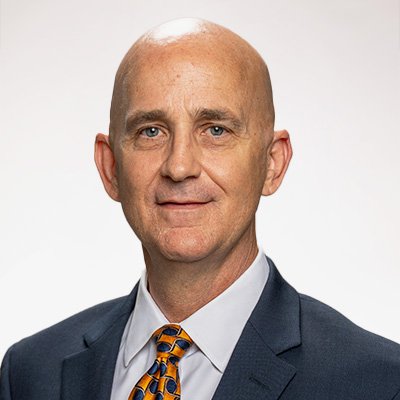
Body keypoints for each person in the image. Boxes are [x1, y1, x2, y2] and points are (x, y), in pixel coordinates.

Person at [0, 18, 399, 400]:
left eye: (215, 130)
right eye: (151, 131)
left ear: (272, 164)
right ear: (110, 168)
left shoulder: (378, 383)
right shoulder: (31, 372)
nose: (179, 166)